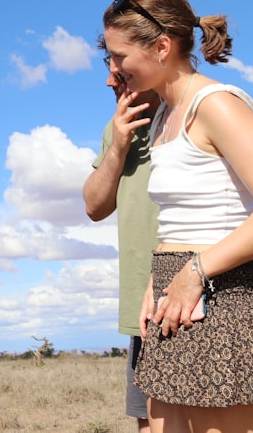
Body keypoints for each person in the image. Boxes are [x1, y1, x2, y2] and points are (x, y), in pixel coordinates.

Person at [100, 0, 253, 433]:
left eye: (118, 57)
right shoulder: (162, 117)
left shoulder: (218, 105)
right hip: (172, 299)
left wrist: (193, 272)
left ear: (161, 48)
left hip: (223, 298)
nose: (113, 70)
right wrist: (156, 283)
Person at [83, 64, 161, 433]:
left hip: (198, 297)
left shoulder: (202, 112)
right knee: (148, 422)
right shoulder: (118, 128)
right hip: (141, 308)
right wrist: (118, 144)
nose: (109, 81)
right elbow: (94, 207)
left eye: (121, 70)